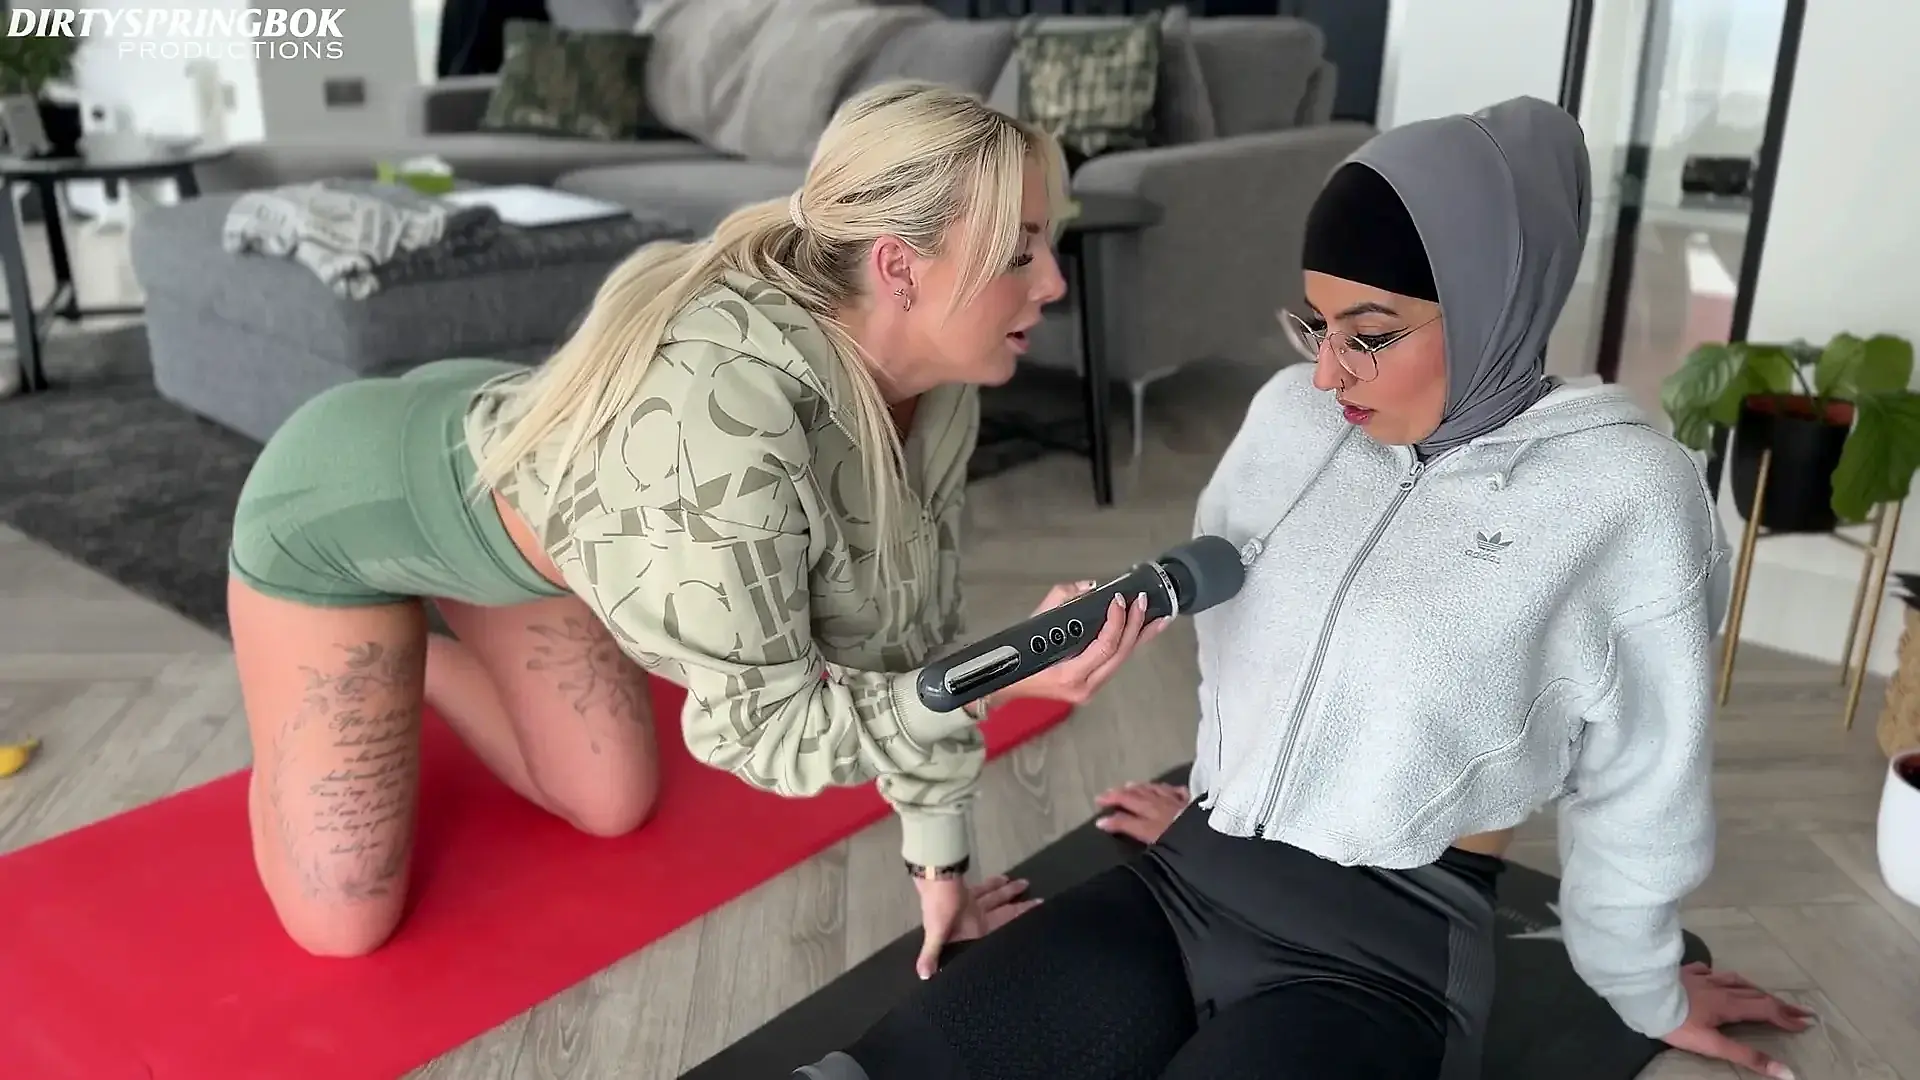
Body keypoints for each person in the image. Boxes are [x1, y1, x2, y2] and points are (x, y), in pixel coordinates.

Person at [796, 97, 1813, 1080]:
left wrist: (1645, 987)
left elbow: (1644, 779)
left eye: (1369, 332)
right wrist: (1226, 788)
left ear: (1492, 298)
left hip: (1382, 959)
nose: (1328, 375)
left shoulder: (1624, 494)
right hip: (1189, 880)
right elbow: (1243, 637)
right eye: (1315, 324)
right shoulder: (1291, 416)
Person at [224, 80, 1165, 969]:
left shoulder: (939, 391)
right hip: (341, 509)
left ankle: (414, 661)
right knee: (345, 921)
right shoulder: (724, 425)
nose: (1055, 283)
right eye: (1020, 252)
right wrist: (1005, 679)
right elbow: (768, 733)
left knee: (610, 801)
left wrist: (941, 872)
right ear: (898, 268)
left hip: (545, 506)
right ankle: (362, 656)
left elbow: (909, 641)